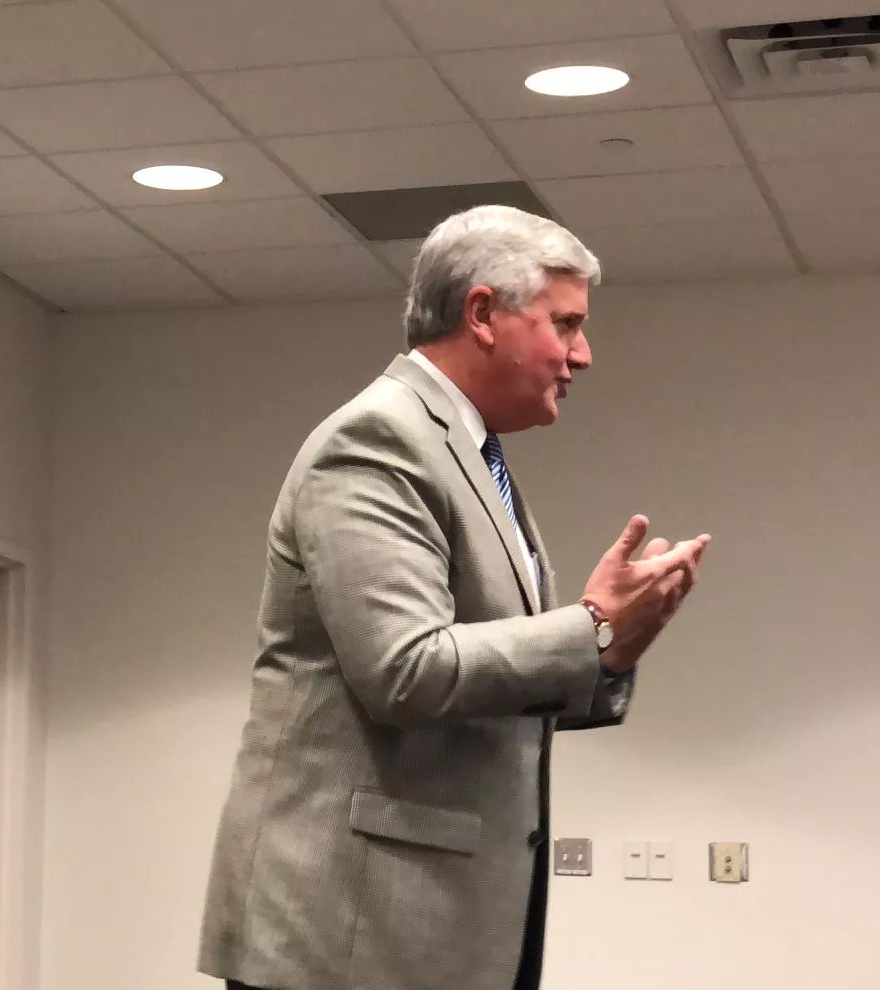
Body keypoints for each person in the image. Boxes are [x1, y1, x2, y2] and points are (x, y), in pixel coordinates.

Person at [196, 205, 711, 990]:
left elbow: (493, 686)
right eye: (565, 324)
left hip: (422, 924)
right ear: (482, 314)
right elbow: (405, 671)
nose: (583, 354)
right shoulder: (377, 440)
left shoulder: (469, 452)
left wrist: (608, 652)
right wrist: (591, 627)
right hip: (342, 939)